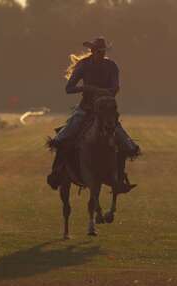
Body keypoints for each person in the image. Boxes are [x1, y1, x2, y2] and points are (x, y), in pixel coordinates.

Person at [47, 37, 140, 192]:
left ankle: (119, 178)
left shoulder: (112, 66)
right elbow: (68, 88)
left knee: (123, 140)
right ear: (92, 51)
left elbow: (116, 87)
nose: (101, 54)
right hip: (86, 108)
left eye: (103, 52)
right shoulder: (83, 65)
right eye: (98, 52)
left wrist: (107, 94)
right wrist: (89, 88)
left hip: (106, 109)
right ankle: (57, 173)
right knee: (63, 137)